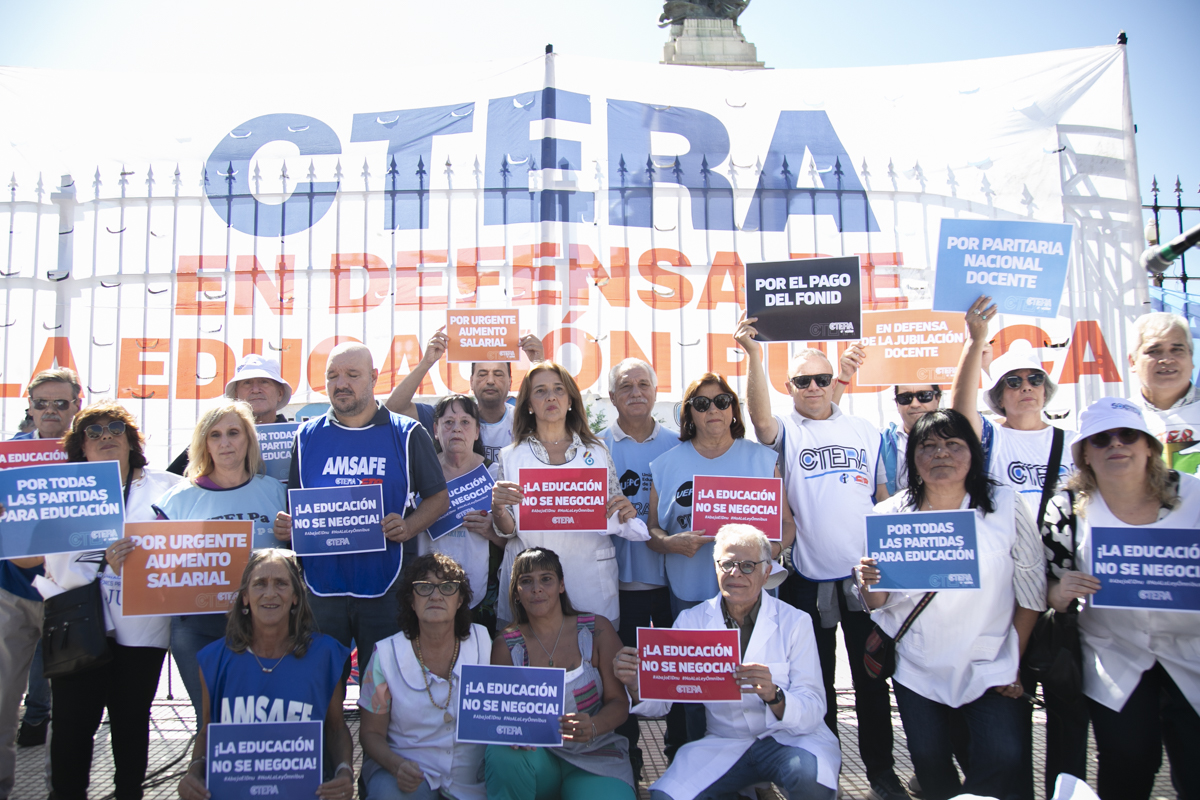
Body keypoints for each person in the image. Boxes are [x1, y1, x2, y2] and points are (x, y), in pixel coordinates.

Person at [734, 317, 905, 800]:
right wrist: (754, 356)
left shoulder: (866, 430)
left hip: (866, 580)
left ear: (834, 382)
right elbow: (760, 421)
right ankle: (824, 771)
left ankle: (882, 774)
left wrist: (888, 564)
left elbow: (883, 498)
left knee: (872, 685)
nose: (813, 387)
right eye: (803, 380)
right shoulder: (787, 430)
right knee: (816, 684)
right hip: (808, 581)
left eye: (822, 378)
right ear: (788, 387)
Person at [856, 408, 1047, 800]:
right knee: (930, 763)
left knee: (1003, 756)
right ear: (913, 458)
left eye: (953, 444)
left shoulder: (1005, 505)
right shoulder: (888, 515)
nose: (940, 453)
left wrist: (1012, 661)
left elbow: (1031, 593)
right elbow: (877, 603)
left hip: (990, 662)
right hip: (918, 665)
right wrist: (866, 582)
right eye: (927, 446)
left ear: (973, 452)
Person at [21, 401, 182, 800]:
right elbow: (26, 558)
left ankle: (129, 793)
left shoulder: (167, 486)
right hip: (76, 621)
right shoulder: (58, 490)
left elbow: (186, 548)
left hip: (142, 626)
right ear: (81, 446)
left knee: (131, 719)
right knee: (73, 723)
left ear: (131, 440)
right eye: (93, 432)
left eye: (115, 429)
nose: (106, 436)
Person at [1041, 397, 1200, 799]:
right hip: (1115, 655)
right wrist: (1060, 592)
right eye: (1100, 439)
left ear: (1148, 446)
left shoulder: (1195, 497)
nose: (1115, 444)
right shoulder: (1065, 509)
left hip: (1193, 652)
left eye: (1127, 435)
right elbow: (1044, 586)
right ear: (1085, 454)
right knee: (1127, 761)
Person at [614, 524, 840, 800]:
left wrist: (775, 695)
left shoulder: (795, 622)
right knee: (667, 796)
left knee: (810, 778)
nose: (735, 573)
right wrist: (635, 684)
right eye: (727, 564)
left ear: (766, 572)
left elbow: (814, 705)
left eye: (748, 566)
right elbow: (661, 703)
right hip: (724, 744)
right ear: (715, 568)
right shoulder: (691, 622)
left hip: (788, 738)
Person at [273, 343, 449, 684]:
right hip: (321, 589)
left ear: (373, 377)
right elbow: (296, 507)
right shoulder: (306, 437)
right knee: (322, 690)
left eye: (352, 375)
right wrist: (288, 527)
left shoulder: (407, 433)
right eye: (332, 376)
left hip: (386, 587)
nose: (341, 384)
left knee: (382, 692)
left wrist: (409, 526)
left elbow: (439, 499)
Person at [146, 400, 289, 719]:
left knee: (263, 717)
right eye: (215, 435)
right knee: (210, 721)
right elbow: (154, 567)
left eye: (233, 433)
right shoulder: (177, 499)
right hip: (199, 626)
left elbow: (297, 560)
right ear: (204, 443)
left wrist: (294, 535)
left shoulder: (275, 492)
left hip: (266, 623)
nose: (225, 442)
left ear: (248, 439)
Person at [177, 549, 355, 800]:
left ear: (296, 597)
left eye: (281, 583)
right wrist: (194, 773)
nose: (270, 593)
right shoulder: (214, 659)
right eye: (260, 584)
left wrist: (344, 772)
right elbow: (207, 731)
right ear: (245, 597)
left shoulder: (325, 655)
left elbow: (336, 729)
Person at [490, 361, 648, 627]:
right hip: (532, 580)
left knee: (596, 648)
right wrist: (498, 508)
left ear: (571, 400)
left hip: (589, 576)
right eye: (540, 391)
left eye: (558, 389)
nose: (551, 397)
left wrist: (625, 511)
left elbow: (614, 512)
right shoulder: (511, 455)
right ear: (529, 405)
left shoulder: (597, 451)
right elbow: (508, 530)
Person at [485, 547, 635, 799]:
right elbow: (499, 714)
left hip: (595, 754)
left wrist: (594, 725)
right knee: (502, 753)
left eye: (546, 579)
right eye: (526, 581)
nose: (537, 589)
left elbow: (619, 702)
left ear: (562, 585)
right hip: (537, 758)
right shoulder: (506, 646)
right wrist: (512, 731)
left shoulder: (596, 629)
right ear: (516, 593)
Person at [598, 358, 682, 774]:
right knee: (623, 677)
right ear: (612, 397)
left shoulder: (679, 445)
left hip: (672, 584)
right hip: (618, 588)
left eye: (643, 384)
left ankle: (681, 753)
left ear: (655, 391)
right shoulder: (594, 448)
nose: (636, 392)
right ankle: (628, 759)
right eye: (626, 386)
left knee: (678, 675)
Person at [647, 372, 791, 612]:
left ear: (733, 408)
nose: (713, 409)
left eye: (722, 401)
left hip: (753, 592)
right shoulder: (664, 466)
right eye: (702, 404)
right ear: (689, 413)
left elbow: (787, 524)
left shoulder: (763, 460)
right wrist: (670, 544)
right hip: (691, 592)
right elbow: (652, 531)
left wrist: (771, 550)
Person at [358, 553, 491, 800]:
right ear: (411, 600)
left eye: (447, 587)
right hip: (409, 774)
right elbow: (370, 733)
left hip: (473, 780)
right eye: (424, 587)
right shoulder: (384, 656)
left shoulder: (485, 642)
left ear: (460, 600)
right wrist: (396, 765)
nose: (436, 596)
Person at [1, 367, 82, 766]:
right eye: (42, 403)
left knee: (70, 709)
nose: (51, 410)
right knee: (3, 700)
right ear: (29, 408)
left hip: (69, 593)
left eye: (60, 403)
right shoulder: (7, 455)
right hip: (12, 590)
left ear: (76, 405)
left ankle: (61, 789)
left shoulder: (91, 452)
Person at [951, 295, 1077, 500]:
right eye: (1014, 382)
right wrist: (975, 341)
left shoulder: (1073, 443)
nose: (1026, 387)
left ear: (1045, 391)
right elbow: (960, 415)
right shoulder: (991, 437)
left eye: (1035, 380)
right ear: (999, 398)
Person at [384, 328, 545, 459]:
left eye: (498, 374)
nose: (490, 381)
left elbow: (554, 412)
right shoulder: (451, 417)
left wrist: (539, 363)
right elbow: (394, 408)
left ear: (510, 381)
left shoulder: (525, 420)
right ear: (471, 382)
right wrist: (426, 362)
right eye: (482, 374)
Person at [417, 395, 505, 626]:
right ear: (436, 430)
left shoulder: (495, 474)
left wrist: (493, 532)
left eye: (465, 422)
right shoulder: (418, 475)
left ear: (477, 431)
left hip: (479, 597)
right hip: (427, 594)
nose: (456, 429)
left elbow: (517, 541)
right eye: (448, 422)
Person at [168, 354, 294, 475]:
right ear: (236, 394)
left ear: (280, 393)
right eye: (247, 383)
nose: (256, 390)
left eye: (264, 382)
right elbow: (172, 479)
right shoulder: (214, 438)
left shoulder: (297, 439)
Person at [1127, 311, 1200, 473]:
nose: (1167, 359)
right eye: (1154, 351)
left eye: (1177, 349)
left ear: (1191, 357)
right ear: (1133, 362)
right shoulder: (1119, 419)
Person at [880, 385, 944, 496]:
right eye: (905, 398)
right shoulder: (879, 443)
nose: (914, 404)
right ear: (897, 404)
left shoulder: (958, 440)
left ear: (937, 399)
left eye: (924, 396)